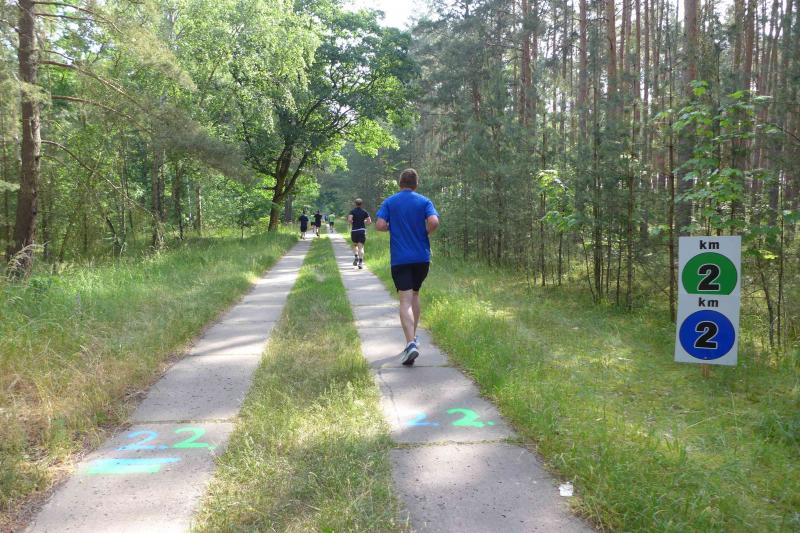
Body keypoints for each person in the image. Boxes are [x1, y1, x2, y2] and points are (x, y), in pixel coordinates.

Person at [375, 169, 439, 366]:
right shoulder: (424, 201)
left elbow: (379, 225)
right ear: (416, 184)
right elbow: (434, 221)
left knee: (405, 299)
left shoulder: (390, 202)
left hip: (401, 259)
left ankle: (410, 342)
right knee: (415, 295)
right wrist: (424, 232)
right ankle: (413, 338)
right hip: (421, 258)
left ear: (400, 183)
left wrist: (391, 227)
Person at [347, 199, 371, 269]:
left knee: (355, 245)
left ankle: (356, 256)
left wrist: (353, 222)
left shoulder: (352, 211)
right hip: (362, 231)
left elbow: (349, 220)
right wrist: (364, 221)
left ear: (355, 204)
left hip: (354, 231)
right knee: (361, 247)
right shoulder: (364, 212)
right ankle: (360, 263)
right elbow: (369, 221)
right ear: (361, 204)